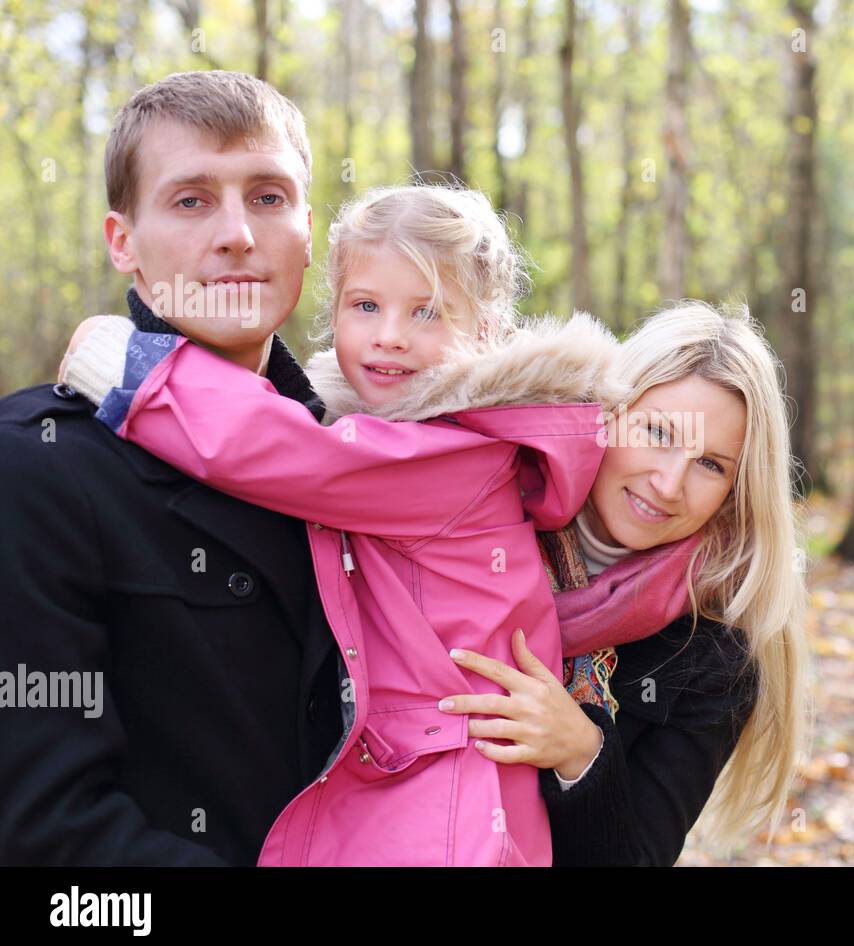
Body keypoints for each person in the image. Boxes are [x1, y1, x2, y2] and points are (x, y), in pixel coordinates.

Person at [59, 183, 622, 866]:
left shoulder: (453, 454)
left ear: (487, 329)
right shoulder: (430, 434)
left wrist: (131, 370)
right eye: (365, 306)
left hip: (449, 802)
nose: (390, 334)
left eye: (428, 312)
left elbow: (282, 452)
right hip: (425, 775)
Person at [0, 70, 344, 865]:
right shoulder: (35, 468)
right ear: (123, 241)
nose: (237, 235)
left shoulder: (359, 468)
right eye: (191, 200)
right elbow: (45, 842)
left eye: (267, 197)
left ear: (307, 230)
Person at [443, 302, 816, 865]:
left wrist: (583, 754)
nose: (668, 484)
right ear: (610, 413)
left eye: (710, 465)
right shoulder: (477, 509)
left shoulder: (715, 655)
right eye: (658, 432)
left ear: (736, 492)